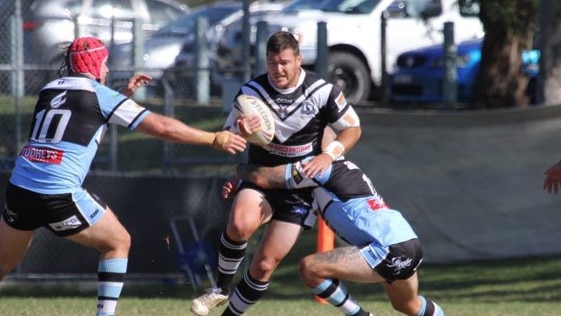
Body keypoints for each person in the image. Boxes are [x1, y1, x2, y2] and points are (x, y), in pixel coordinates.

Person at [0, 37, 246, 316]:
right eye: (105, 64)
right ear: (96, 64)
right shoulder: (100, 95)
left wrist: (122, 95)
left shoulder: (49, 89)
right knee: (117, 242)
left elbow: (83, 115)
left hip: (20, 189)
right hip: (58, 193)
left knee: (2, 266)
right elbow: (163, 127)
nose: (106, 71)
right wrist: (214, 138)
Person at [190, 31, 362, 316]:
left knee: (264, 266)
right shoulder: (250, 93)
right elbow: (230, 138)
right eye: (272, 63)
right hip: (261, 178)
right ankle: (220, 288)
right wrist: (242, 133)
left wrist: (327, 154)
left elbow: (353, 128)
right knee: (240, 223)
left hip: (300, 189)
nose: (278, 70)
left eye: (284, 62)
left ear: (298, 60)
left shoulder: (322, 91)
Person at [227, 158, 446, 316]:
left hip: (388, 247)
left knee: (310, 268)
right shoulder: (323, 177)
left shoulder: (323, 166)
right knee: (408, 306)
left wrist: (240, 170)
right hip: (407, 241)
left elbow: (268, 178)